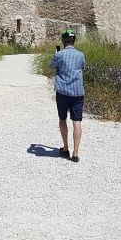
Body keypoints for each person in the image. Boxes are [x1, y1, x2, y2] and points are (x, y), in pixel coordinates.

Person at [49, 29, 86, 162]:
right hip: (77, 92)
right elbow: (83, 67)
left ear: (63, 41)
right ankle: (75, 154)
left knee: (62, 119)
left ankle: (65, 148)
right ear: (74, 41)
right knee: (77, 121)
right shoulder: (81, 55)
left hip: (63, 92)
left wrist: (56, 56)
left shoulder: (59, 55)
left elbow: (51, 66)